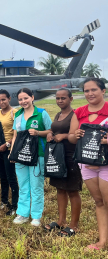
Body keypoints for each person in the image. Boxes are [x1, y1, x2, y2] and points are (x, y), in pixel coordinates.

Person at [68, 78, 108, 250]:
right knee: (99, 202)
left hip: (106, 164)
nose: (90, 94)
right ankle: (102, 242)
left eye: (94, 90)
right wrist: (76, 134)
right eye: (86, 91)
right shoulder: (79, 112)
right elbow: (70, 137)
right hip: (86, 163)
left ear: (103, 91)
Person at [9, 88, 52, 227]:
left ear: (32, 97)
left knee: (36, 186)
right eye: (20, 99)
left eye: (26, 98)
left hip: (37, 155)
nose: (23, 101)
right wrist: (12, 153)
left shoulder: (41, 113)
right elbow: (15, 136)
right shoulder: (18, 115)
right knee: (23, 185)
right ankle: (22, 213)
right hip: (21, 156)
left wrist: (39, 132)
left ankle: (36, 216)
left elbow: (51, 132)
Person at [43, 89, 82, 236]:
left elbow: (74, 135)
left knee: (72, 190)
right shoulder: (59, 115)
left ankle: (74, 225)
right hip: (57, 156)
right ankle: (61, 221)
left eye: (63, 98)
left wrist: (64, 135)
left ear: (71, 99)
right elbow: (54, 130)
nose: (60, 101)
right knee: (60, 189)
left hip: (70, 156)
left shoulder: (74, 114)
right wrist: (50, 134)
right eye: (58, 98)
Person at [0, 89, 19, 216]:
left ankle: (15, 205)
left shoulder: (15, 112)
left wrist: (7, 144)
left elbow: (18, 133)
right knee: (2, 177)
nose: (1, 102)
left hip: (9, 149)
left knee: (11, 178)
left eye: (3, 99)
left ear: (9, 98)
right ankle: (4, 200)